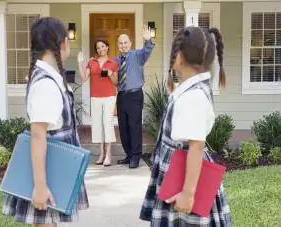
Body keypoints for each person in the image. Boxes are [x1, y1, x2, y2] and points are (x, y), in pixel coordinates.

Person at [140, 26, 231, 226]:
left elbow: (196, 147)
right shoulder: (190, 89)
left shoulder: (193, 96)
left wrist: (189, 194)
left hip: (183, 179)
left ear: (178, 57)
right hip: (177, 172)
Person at [2, 17, 89, 226]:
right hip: (47, 172)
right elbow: (38, 135)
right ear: (61, 43)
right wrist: (40, 186)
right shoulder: (46, 85)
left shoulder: (50, 78)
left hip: (53, 168)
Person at [115, 26, 155, 169]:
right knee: (123, 128)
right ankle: (129, 155)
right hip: (121, 96)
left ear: (130, 44)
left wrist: (148, 39)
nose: (123, 45)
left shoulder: (138, 56)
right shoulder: (116, 60)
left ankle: (136, 157)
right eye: (120, 43)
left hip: (135, 95)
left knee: (134, 126)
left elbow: (147, 50)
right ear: (118, 45)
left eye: (125, 42)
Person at [77, 39, 118, 166]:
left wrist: (111, 74)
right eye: (98, 48)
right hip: (95, 97)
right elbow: (84, 78)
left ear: (107, 47)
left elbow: (116, 82)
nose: (101, 49)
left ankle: (108, 155)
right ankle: (101, 154)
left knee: (107, 123)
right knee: (97, 125)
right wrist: (80, 63)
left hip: (109, 97)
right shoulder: (92, 62)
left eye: (103, 46)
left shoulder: (113, 63)